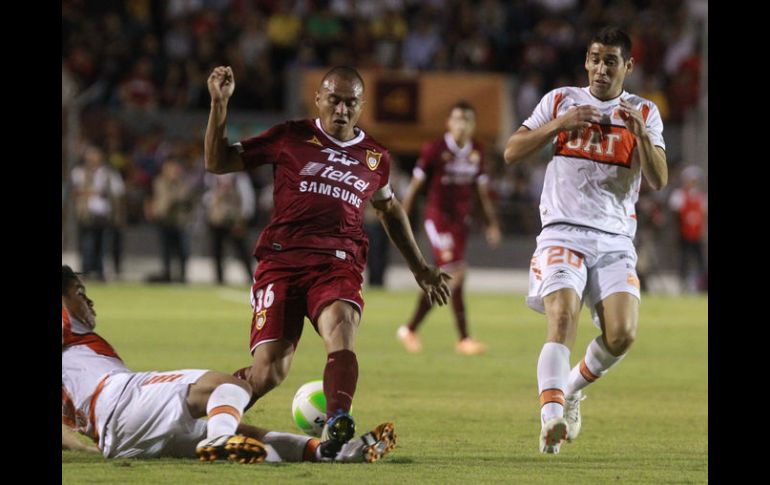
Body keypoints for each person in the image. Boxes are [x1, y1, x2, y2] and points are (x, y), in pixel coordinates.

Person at [204, 65, 451, 458]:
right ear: (318, 99)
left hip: (338, 262)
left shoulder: (375, 157)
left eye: (350, 102)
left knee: (341, 323)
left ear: (361, 106)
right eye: (333, 99)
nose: (340, 109)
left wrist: (420, 267)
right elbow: (219, 163)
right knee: (268, 372)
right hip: (281, 261)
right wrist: (219, 105)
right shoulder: (290, 136)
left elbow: (389, 208)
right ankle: (205, 420)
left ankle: (338, 420)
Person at [503, 27, 667, 454]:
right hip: (563, 230)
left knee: (623, 335)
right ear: (586, 61)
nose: (600, 68)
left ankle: (571, 390)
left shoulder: (644, 112)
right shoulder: (560, 100)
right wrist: (560, 125)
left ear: (627, 67)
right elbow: (512, 151)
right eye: (595, 58)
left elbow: (659, 178)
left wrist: (642, 136)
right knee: (561, 320)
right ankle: (551, 418)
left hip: (614, 238)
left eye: (610, 60)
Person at [61, 265, 396, 463]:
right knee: (230, 386)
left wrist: (82, 447)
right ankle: (217, 440)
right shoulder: (66, 328)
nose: (88, 299)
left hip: (116, 441)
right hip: (122, 400)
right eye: (79, 291)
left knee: (248, 436)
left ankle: (332, 453)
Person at [396, 101, 501, 355]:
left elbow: (480, 191)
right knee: (456, 272)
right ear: (448, 123)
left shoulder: (477, 150)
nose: (461, 125)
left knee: (449, 279)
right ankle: (463, 339)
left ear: (473, 125)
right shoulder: (435, 149)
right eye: (457, 120)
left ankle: (409, 330)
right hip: (437, 218)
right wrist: (402, 215)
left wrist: (491, 222)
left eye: (466, 120)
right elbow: (416, 184)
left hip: (460, 223)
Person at [202, 171, 256, 284]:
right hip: (217, 220)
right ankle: (219, 279)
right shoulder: (212, 176)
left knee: (242, 251)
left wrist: (243, 220)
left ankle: (251, 277)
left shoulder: (239, 176)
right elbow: (206, 197)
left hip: (234, 221)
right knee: (217, 252)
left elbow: (248, 198)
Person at [667, 165, 707, 293]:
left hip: (697, 234)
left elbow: (703, 215)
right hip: (683, 234)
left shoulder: (700, 196)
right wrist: (676, 231)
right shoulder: (679, 194)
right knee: (683, 260)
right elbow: (675, 214)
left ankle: (702, 285)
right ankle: (682, 286)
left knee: (700, 260)